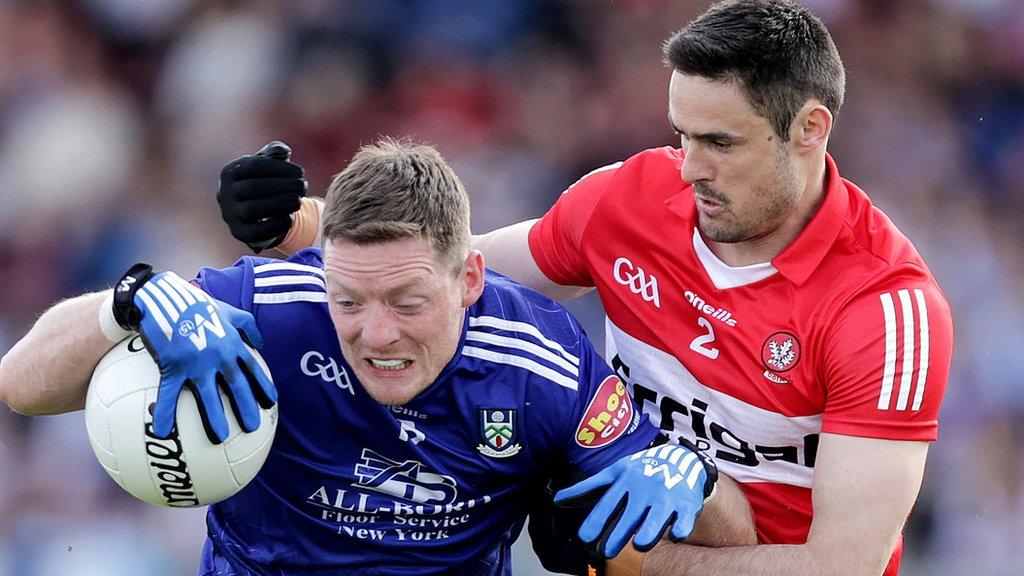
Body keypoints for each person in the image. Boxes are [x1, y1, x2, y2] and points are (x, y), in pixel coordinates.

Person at [216, 2, 956, 575]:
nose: (690, 167)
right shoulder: (632, 198)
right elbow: (453, 273)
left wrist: (637, 563)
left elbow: (841, 567)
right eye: (683, 135)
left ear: (809, 130)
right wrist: (301, 223)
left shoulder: (888, 313)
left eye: (721, 143)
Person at [0, 139, 755, 576]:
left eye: (406, 301)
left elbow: (731, 537)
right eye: (349, 301)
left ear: (468, 280)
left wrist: (699, 478)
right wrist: (124, 302)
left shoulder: (544, 368)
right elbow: (21, 386)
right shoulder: (268, 310)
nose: (376, 335)